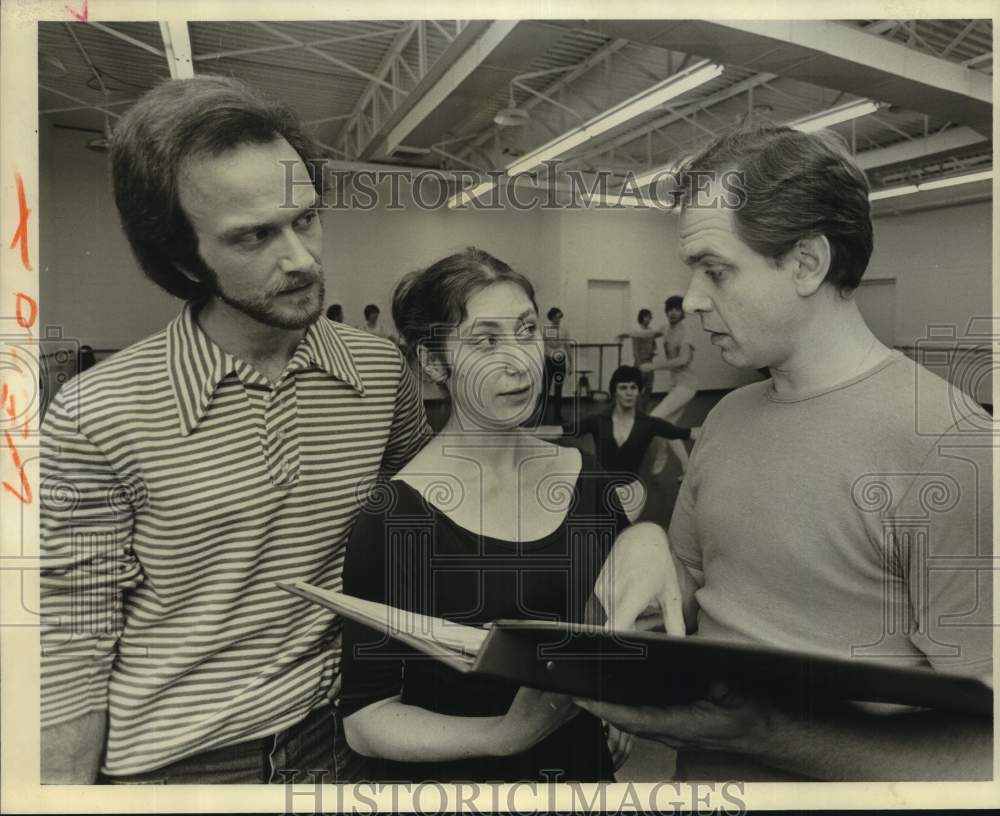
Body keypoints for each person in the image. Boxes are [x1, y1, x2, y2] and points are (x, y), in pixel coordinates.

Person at [39, 76, 429, 784]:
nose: (303, 259)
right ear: (184, 260)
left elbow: (440, 510)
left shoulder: (376, 372)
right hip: (179, 762)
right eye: (255, 236)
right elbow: (72, 644)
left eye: (305, 219)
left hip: (340, 737)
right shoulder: (96, 415)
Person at [576, 125, 993, 781]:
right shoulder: (728, 418)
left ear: (806, 263)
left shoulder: (952, 446)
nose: (693, 298)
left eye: (716, 270)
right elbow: (691, 588)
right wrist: (645, 545)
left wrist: (771, 736)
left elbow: (986, 758)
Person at [339, 248, 634, 781]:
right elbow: (365, 717)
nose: (519, 360)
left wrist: (620, 699)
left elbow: (619, 622)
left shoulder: (586, 478)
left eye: (526, 331)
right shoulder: (396, 516)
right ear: (434, 364)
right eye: (486, 341)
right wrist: (504, 736)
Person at [567, 365, 697, 521]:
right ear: (614, 391)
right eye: (623, 388)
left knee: (617, 530)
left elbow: (686, 433)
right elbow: (561, 430)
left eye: (633, 387)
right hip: (602, 490)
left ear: (640, 391)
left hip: (631, 493)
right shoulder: (598, 421)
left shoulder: (649, 424)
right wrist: (530, 431)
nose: (628, 393)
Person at [644, 296, 698, 478]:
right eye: (670, 309)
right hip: (676, 385)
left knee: (655, 418)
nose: (673, 312)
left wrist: (654, 366)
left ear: (682, 312)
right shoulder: (667, 328)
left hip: (687, 386)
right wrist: (628, 334)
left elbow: (683, 360)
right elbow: (649, 333)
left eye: (677, 309)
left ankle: (662, 454)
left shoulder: (686, 332)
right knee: (668, 427)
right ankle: (687, 469)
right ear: (666, 311)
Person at [618, 309, 660, 411]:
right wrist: (639, 365)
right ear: (642, 317)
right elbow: (635, 351)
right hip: (640, 363)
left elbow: (654, 345)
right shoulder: (637, 332)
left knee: (649, 388)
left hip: (650, 362)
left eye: (650, 317)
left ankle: (644, 411)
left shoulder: (651, 331)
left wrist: (654, 351)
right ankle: (637, 411)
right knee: (639, 389)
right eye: (647, 317)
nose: (649, 319)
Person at [542, 306, 571, 423]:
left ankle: (557, 416)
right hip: (549, 361)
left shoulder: (564, 330)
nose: (558, 319)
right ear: (551, 317)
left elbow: (567, 347)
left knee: (559, 389)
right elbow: (548, 345)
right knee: (546, 388)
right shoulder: (546, 329)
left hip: (560, 361)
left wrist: (571, 363)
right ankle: (542, 416)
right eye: (555, 317)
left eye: (559, 317)